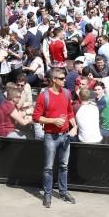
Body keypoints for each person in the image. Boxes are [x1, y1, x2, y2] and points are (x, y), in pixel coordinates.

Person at [32, 68, 76, 208]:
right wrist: (53, 121)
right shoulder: (44, 95)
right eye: (62, 78)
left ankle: (63, 192)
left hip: (65, 135)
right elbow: (36, 117)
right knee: (48, 168)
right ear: (53, 80)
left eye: (64, 78)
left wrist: (75, 127)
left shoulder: (67, 93)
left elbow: (70, 112)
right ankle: (48, 195)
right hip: (51, 136)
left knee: (64, 166)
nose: (65, 80)